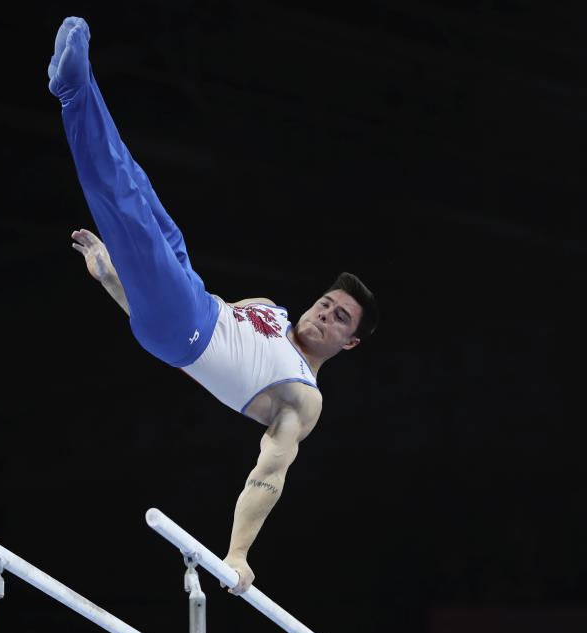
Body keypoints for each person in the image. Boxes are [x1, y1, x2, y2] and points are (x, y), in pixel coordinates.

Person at [49, 16, 379, 594]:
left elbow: (268, 473)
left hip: (185, 334)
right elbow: (162, 306)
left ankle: (74, 90)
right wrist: (109, 276)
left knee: (122, 206)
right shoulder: (270, 311)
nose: (323, 314)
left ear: (348, 343)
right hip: (193, 301)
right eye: (327, 303)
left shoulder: (303, 395)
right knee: (136, 186)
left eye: (339, 318)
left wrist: (238, 553)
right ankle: (82, 85)